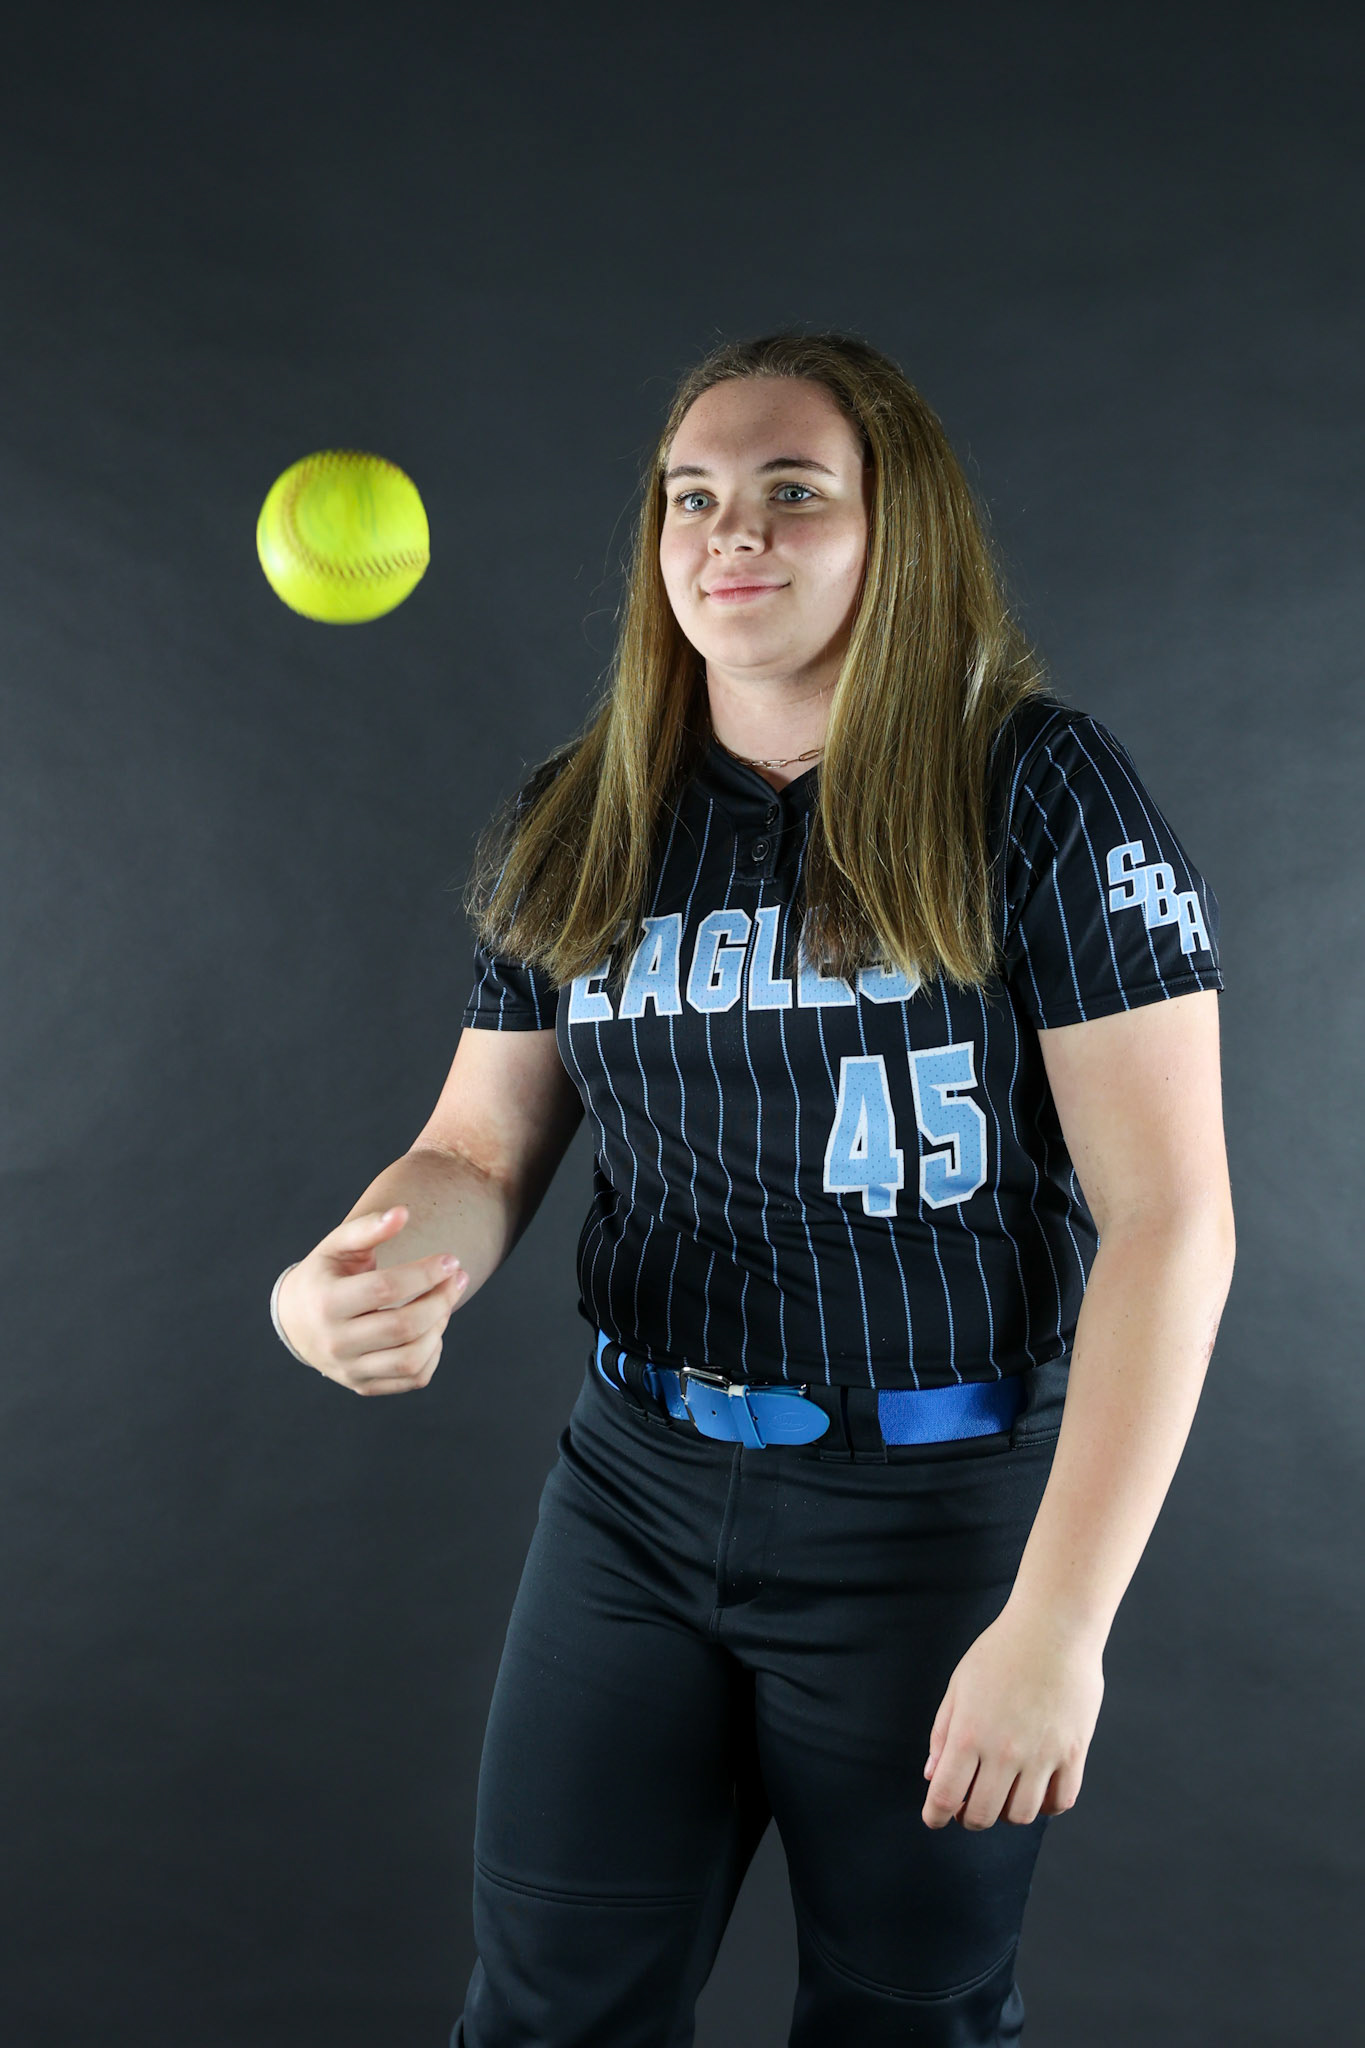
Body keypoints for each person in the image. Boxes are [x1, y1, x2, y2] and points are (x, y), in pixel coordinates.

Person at [270, 331, 1235, 2046]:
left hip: (929, 1522)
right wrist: (347, 1273)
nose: (735, 535)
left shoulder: (1038, 787)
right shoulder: (585, 811)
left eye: (796, 494)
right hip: (633, 1500)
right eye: (692, 497)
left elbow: (1172, 1223)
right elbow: (481, 1151)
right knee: (548, 2014)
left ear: (898, 534)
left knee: (903, 2021)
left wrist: (1057, 1623)